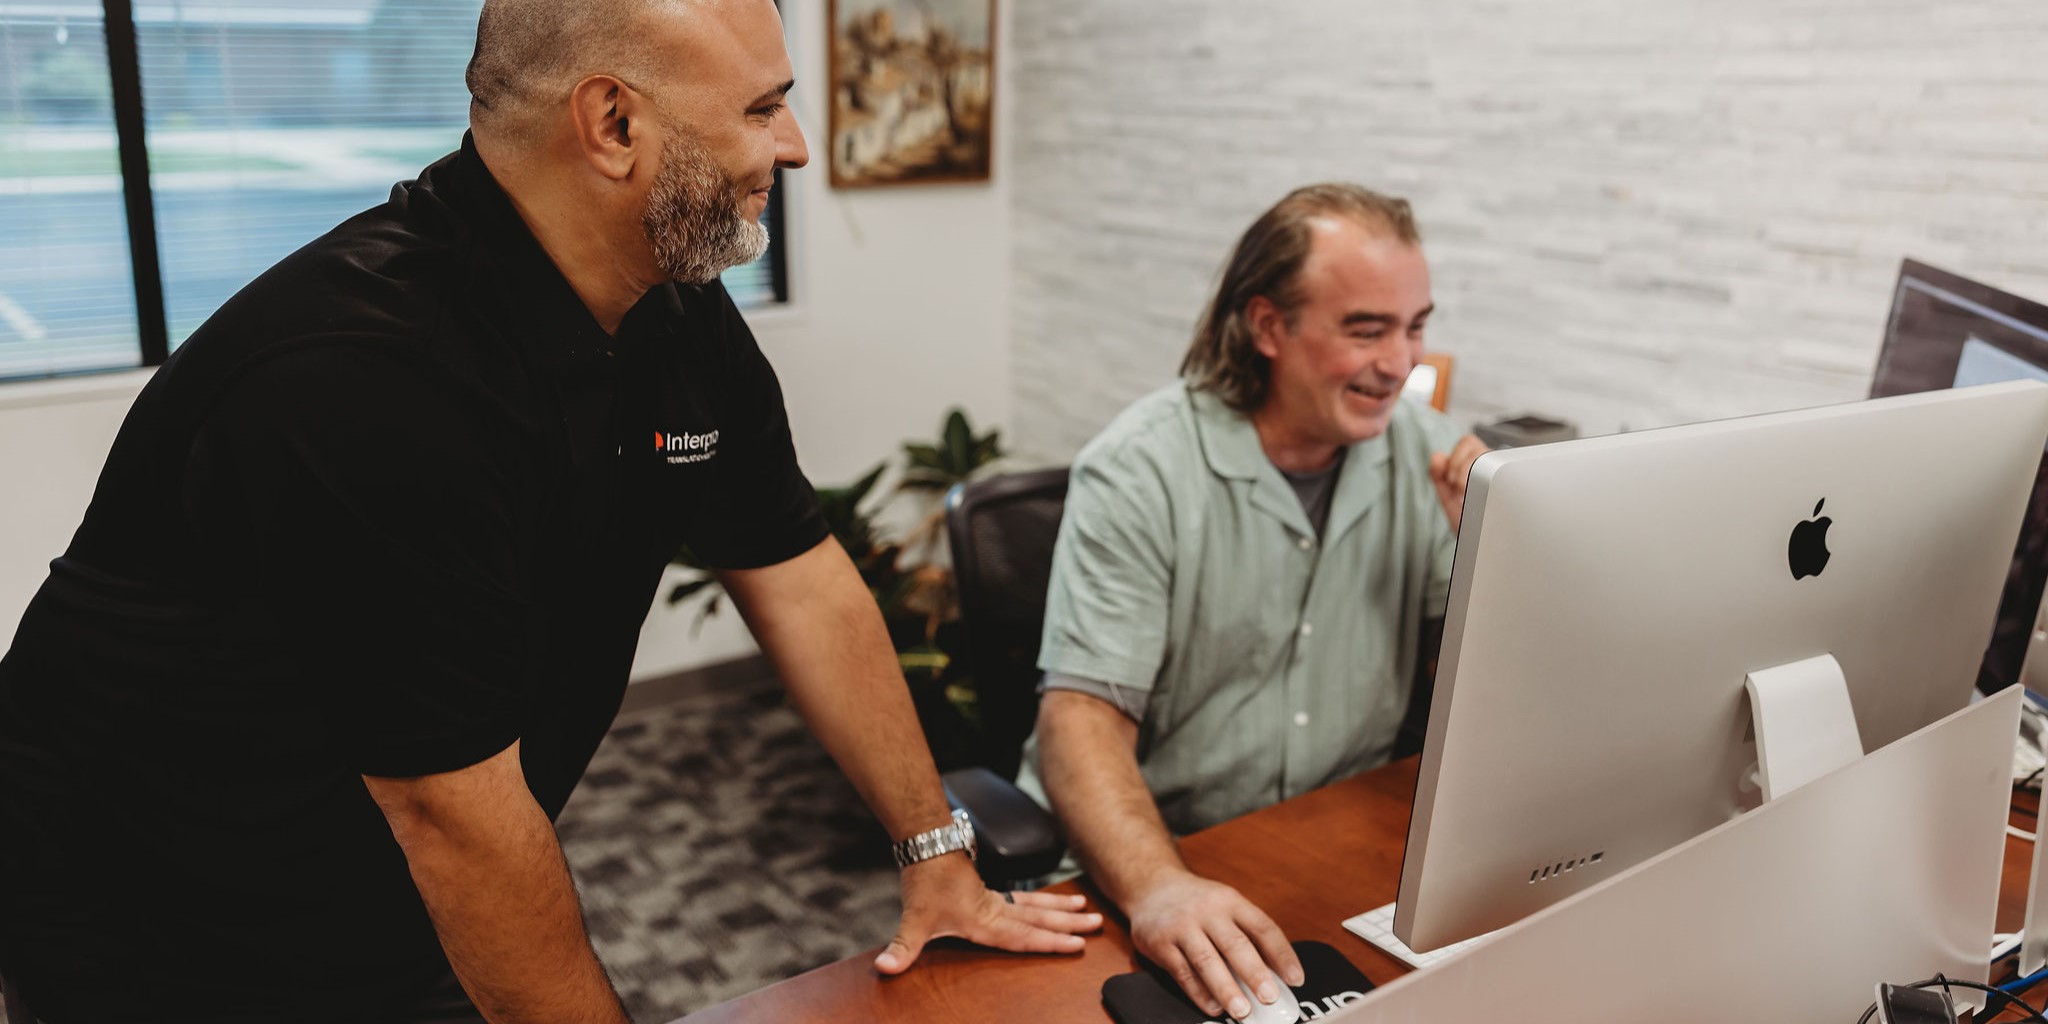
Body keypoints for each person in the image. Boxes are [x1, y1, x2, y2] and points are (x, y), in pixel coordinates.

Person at [0, 1, 1098, 1021]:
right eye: (762, 108)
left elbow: (800, 576)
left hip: (400, 873)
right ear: (612, 124)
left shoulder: (677, 314)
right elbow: (450, 819)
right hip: (153, 921)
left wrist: (936, 856)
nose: (798, 146)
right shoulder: (362, 377)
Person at [1014, 184, 1486, 1022]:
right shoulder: (1140, 469)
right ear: (1269, 326)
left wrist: (1489, 559)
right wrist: (1158, 886)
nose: (1400, 362)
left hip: (1327, 842)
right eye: (1366, 330)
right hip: (1152, 857)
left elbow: (1482, 708)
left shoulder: (1435, 455)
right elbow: (1080, 720)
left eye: (1414, 327)